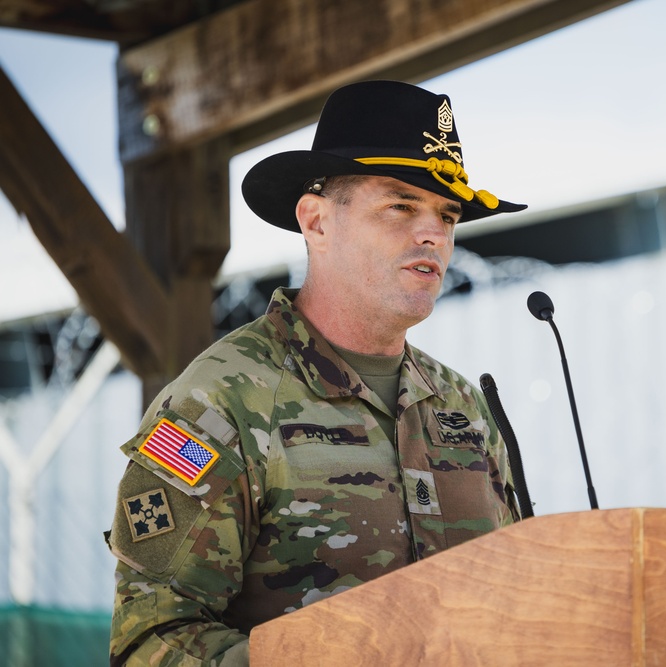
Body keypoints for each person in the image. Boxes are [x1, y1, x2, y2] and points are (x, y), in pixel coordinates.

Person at [107, 80, 527, 666]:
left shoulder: (460, 405)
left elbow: (518, 600)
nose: (433, 233)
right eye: (401, 205)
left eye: (448, 214)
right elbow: (149, 642)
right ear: (317, 222)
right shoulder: (222, 402)